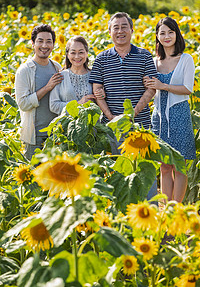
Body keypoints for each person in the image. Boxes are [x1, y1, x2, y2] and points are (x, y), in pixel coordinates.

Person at [89, 12, 158, 200]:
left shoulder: (144, 56)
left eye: (124, 27)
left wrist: (134, 113)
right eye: (116, 27)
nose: (120, 31)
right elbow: (97, 91)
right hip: (113, 128)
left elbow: (151, 89)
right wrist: (112, 118)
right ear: (110, 32)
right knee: (119, 173)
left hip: (141, 125)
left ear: (132, 30)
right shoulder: (101, 59)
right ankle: (123, 219)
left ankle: (149, 212)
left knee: (146, 171)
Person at [143, 17, 196, 202]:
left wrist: (162, 86)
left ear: (177, 34)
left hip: (179, 114)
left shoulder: (185, 59)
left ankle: (176, 209)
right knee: (164, 166)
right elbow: (150, 88)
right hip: (159, 117)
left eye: (170, 32)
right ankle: (165, 210)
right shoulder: (154, 61)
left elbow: (188, 89)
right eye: (162, 33)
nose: (166, 36)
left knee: (180, 166)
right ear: (157, 36)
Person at [15, 24, 63, 160]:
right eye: (40, 41)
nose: (44, 45)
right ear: (33, 43)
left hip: (56, 135)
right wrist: (47, 87)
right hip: (34, 136)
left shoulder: (57, 67)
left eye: (49, 41)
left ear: (53, 45)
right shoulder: (25, 70)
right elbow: (23, 104)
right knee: (34, 179)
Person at [50, 36, 105, 115]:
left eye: (81, 52)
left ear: (87, 53)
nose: (77, 56)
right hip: (67, 125)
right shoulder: (60, 76)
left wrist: (102, 94)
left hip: (91, 125)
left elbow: (101, 102)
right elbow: (53, 106)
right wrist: (78, 103)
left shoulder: (95, 75)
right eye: (73, 52)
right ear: (68, 55)